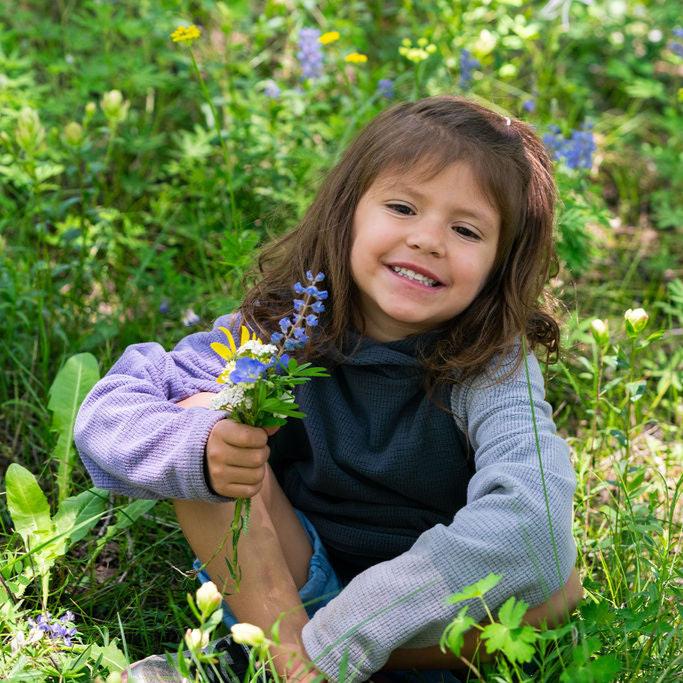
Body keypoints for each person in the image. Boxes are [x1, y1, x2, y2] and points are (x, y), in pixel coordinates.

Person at [74, 95, 582, 683]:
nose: (428, 239)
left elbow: (534, 519)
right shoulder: (279, 330)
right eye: (401, 206)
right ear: (348, 213)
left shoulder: (490, 366)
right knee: (200, 423)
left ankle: (274, 669)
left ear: (501, 265)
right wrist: (200, 450)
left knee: (557, 588)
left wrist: (350, 633)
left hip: (421, 615)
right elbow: (105, 413)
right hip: (283, 589)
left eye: (466, 229)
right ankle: (288, 667)